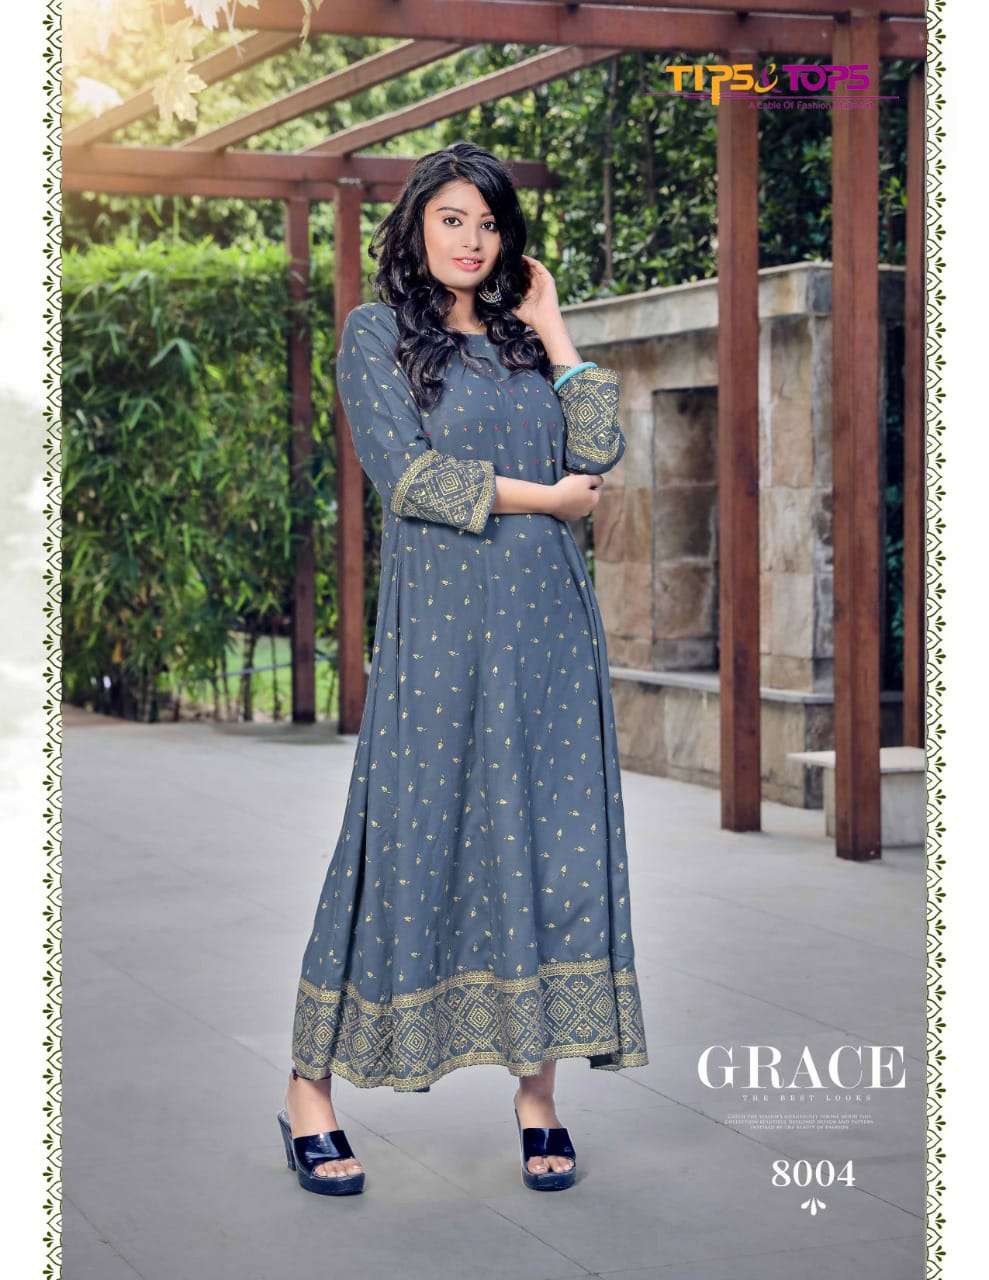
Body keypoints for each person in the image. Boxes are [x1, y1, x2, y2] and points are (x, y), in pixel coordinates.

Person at [277, 141, 648, 1196]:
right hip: (441, 635)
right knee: (403, 842)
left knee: (552, 850)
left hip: (548, 635)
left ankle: (537, 1099)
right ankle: (308, 1091)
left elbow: (598, 452)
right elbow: (411, 478)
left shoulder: (524, 344)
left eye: (487, 224)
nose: (471, 240)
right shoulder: (376, 334)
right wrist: (545, 500)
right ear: (415, 226)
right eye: (451, 219)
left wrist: (555, 326)